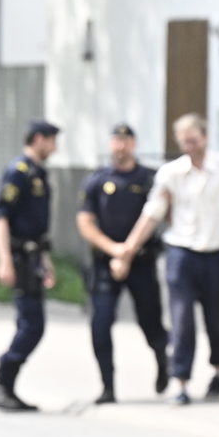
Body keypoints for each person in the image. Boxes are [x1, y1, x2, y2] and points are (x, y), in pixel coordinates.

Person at [121, 113, 219, 405]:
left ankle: (217, 368)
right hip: (181, 251)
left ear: (205, 137)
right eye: (184, 142)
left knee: (215, 317)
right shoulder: (171, 173)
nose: (189, 146)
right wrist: (128, 248)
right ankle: (181, 381)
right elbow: (153, 213)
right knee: (181, 317)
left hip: (215, 252)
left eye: (194, 140)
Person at [75, 122, 167, 402]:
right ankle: (108, 386)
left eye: (126, 140)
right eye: (116, 140)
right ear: (110, 143)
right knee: (100, 324)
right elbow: (85, 223)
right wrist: (115, 251)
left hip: (141, 261)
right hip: (106, 262)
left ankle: (163, 359)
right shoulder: (97, 180)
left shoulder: (150, 178)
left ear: (134, 144)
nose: (120, 145)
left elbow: (156, 217)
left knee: (150, 321)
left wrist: (127, 253)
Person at [0, 120, 58, 411]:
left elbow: (36, 231)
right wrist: (4, 260)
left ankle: (6, 387)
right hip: (19, 259)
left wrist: (46, 261)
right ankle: (3, 381)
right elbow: (0, 217)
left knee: (27, 324)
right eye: (53, 140)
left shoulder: (37, 173)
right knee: (33, 325)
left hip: (33, 257)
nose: (55, 146)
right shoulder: (19, 172)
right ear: (39, 139)